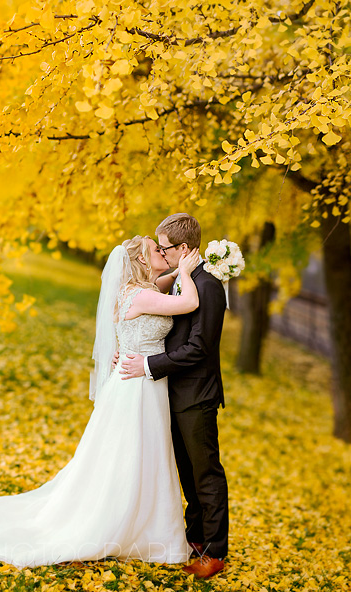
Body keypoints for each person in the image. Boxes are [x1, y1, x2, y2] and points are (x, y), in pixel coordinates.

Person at [0, 236, 204, 568]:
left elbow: (161, 283)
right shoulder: (141, 295)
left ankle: (143, 522)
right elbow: (188, 304)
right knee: (133, 454)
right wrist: (186, 271)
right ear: (141, 262)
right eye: (156, 250)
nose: (163, 252)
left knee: (138, 454)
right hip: (137, 384)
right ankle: (124, 524)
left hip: (135, 381)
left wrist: (180, 270)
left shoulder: (136, 290)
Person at [118, 213, 229, 580]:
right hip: (172, 392)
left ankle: (214, 552)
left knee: (205, 473)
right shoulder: (183, 280)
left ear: (183, 248)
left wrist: (149, 364)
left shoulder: (208, 285)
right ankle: (194, 537)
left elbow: (199, 347)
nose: (161, 253)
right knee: (186, 473)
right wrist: (127, 348)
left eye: (164, 248)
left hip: (196, 394)